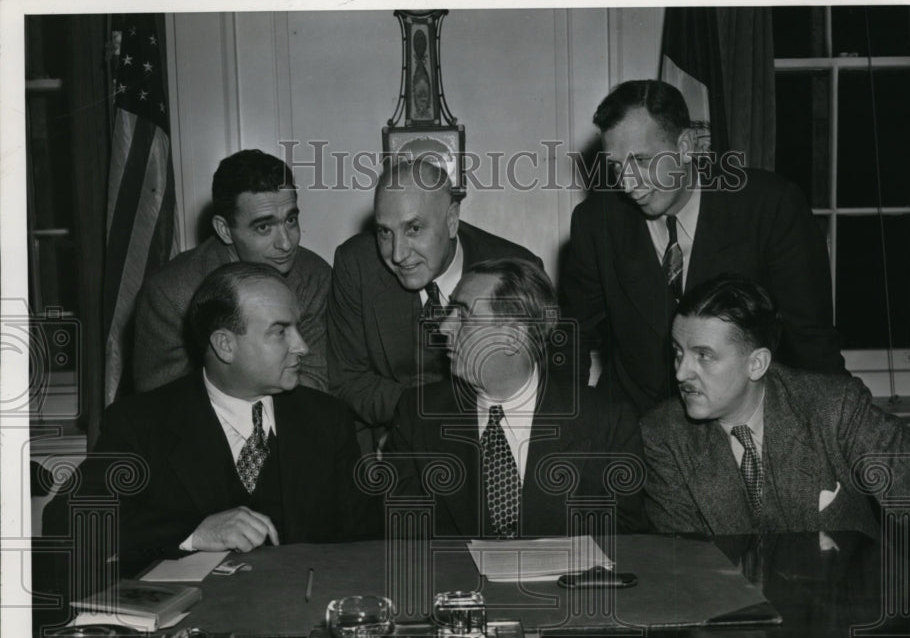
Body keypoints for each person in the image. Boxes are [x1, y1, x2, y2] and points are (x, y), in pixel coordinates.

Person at [640, 274, 910, 590]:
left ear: (756, 364)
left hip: (845, 625)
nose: (681, 372)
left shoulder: (834, 408)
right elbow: (684, 564)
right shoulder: (664, 436)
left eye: (704, 356)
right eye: (678, 351)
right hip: (735, 630)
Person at [45, 263, 370, 574]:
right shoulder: (141, 423)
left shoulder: (328, 419)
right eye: (280, 331)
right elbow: (67, 521)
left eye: (297, 328)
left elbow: (363, 538)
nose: (303, 346)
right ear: (225, 345)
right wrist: (194, 533)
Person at [561, 79, 844, 414]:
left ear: (685, 146)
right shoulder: (595, 223)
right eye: (616, 166)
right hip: (633, 429)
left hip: (742, 428)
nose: (627, 183)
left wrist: (839, 430)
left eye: (641, 161)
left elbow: (812, 344)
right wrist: (569, 426)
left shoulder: (769, 207)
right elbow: (570, 339)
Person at [385, 258, 648, 537]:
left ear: (513, 335)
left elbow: (624, 540)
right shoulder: (417, 415)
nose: (443, 328)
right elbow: (405, 533)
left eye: (462, 316)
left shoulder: (606, 422)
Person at [327, 157, 541, 435]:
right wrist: (420, 423)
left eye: (413, 229)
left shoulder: (515, 268)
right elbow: (349, 381)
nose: (398, 254)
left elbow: (535, 384)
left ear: (452, 221)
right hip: (391, 430)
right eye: (384, 232)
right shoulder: (356, 265)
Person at [133, 149, 331, 393]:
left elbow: (315, 387)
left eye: (290, 220)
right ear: (225, 230)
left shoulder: (314, 276)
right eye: (264, 227)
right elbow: (160, 406)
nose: (286, 243)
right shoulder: (170, 294)